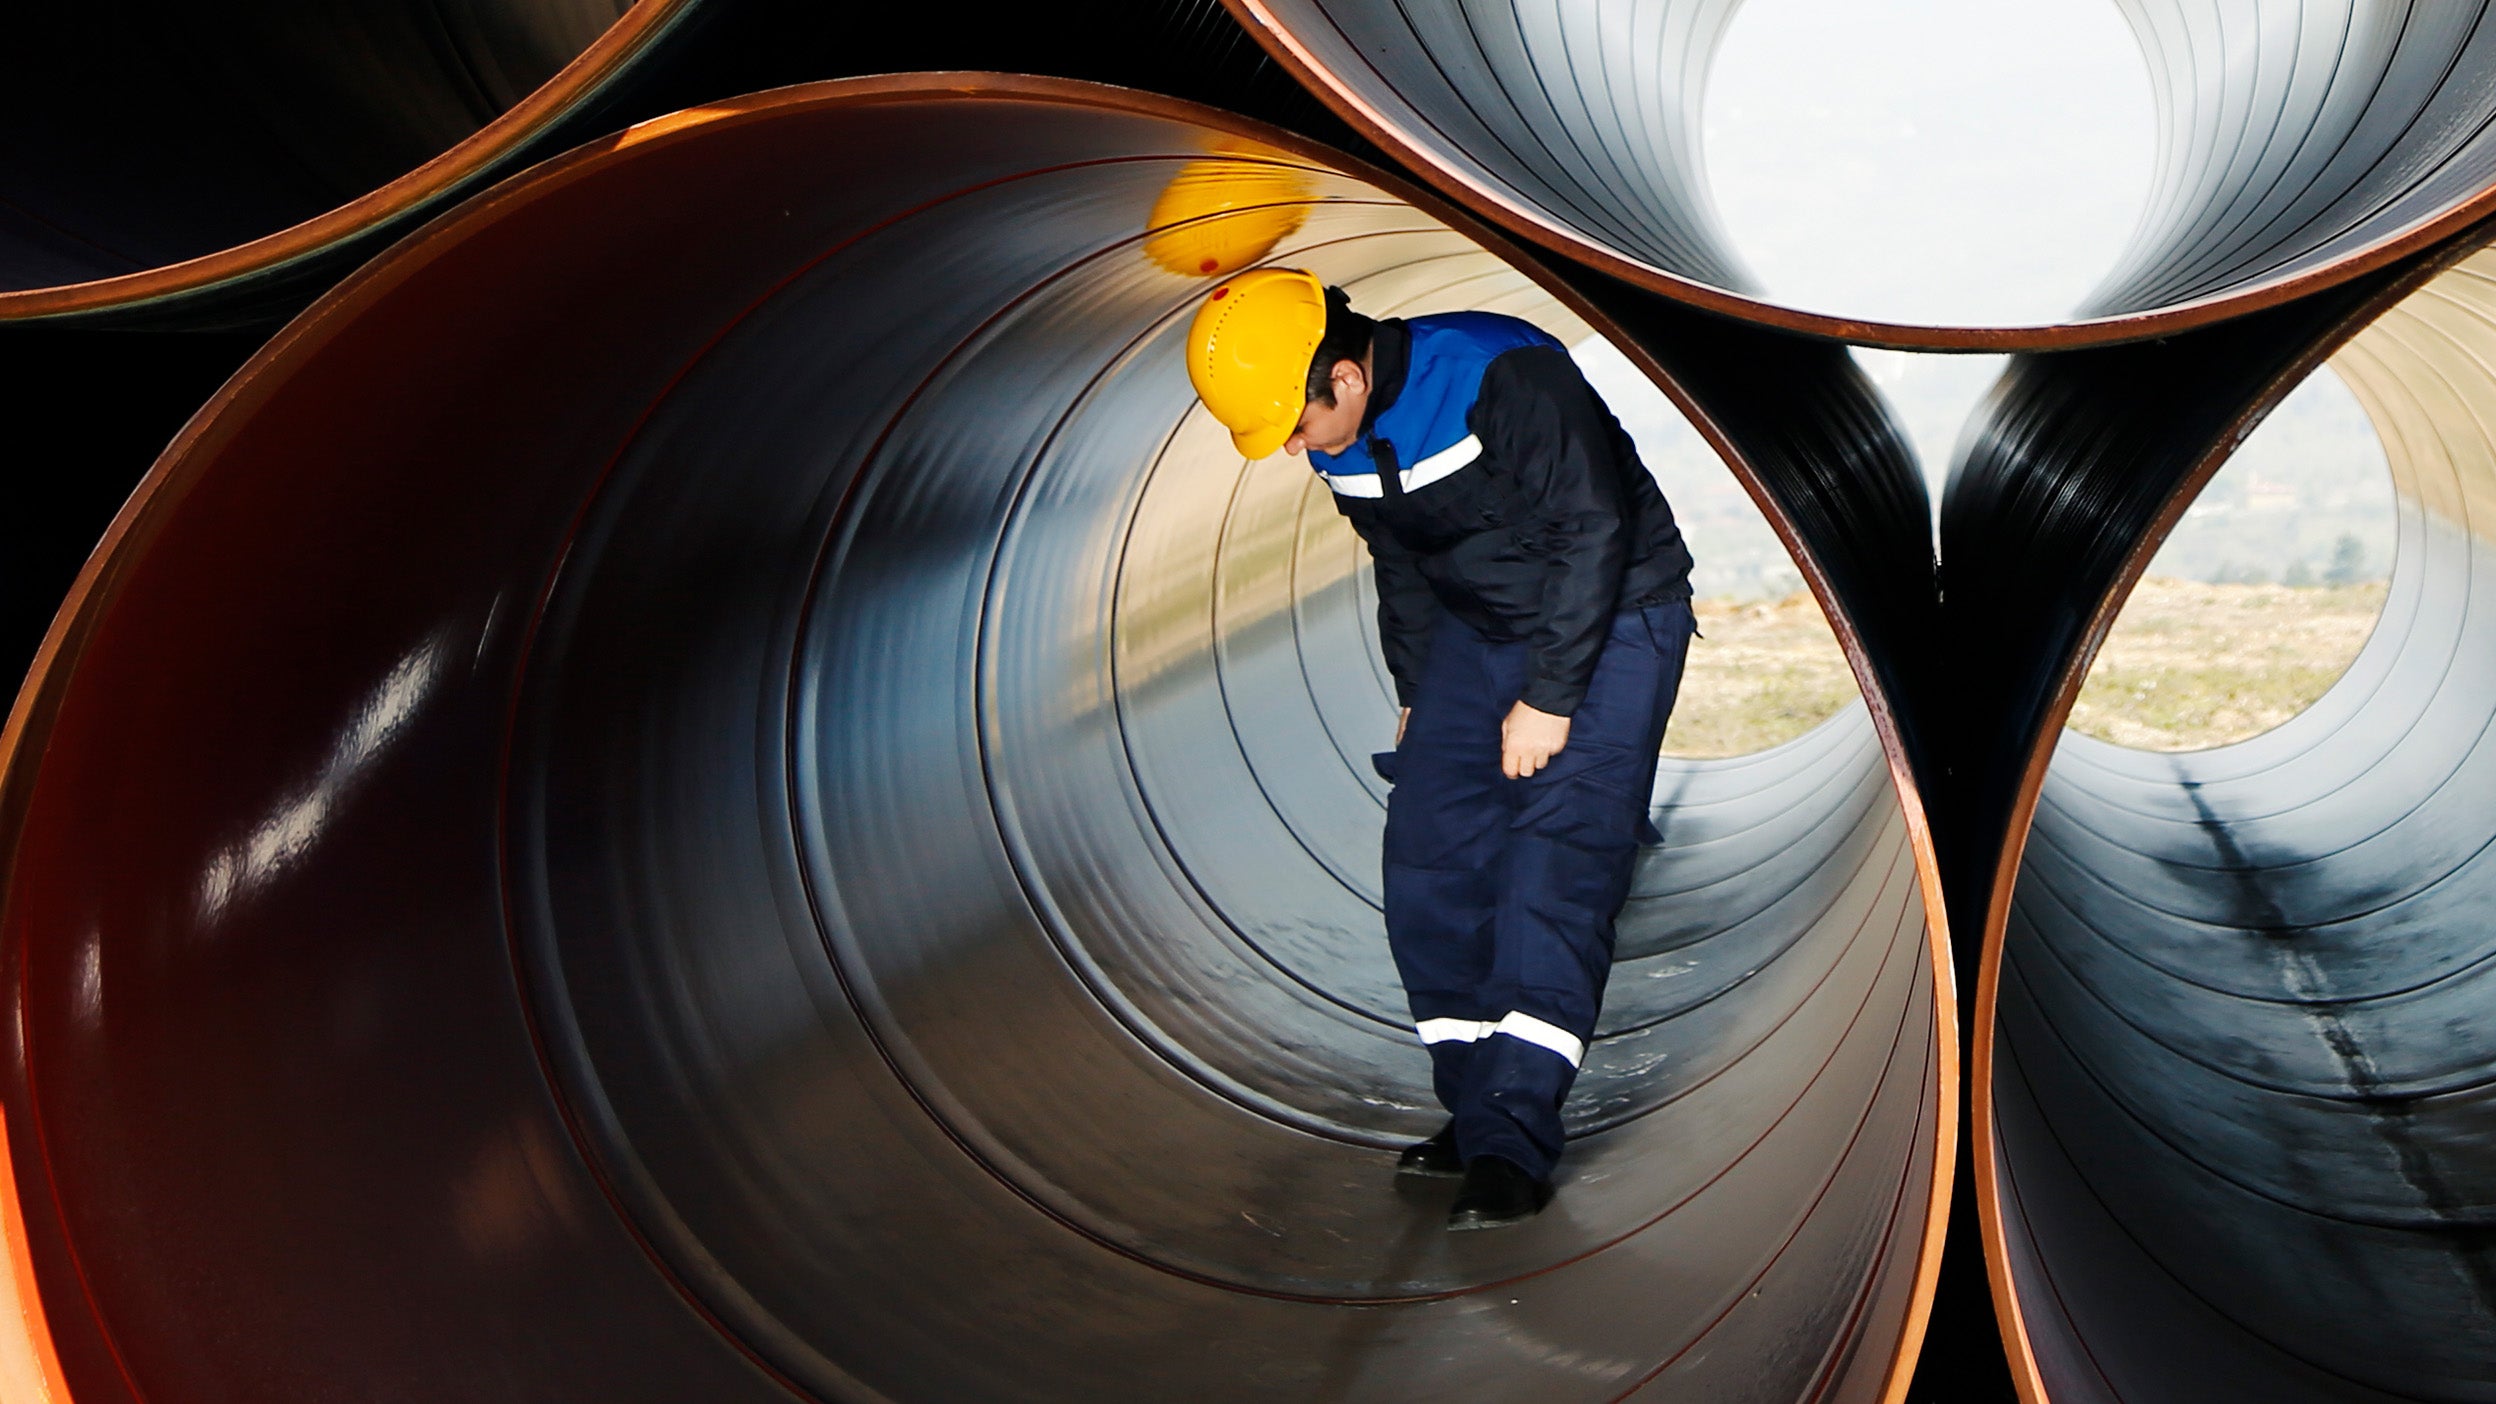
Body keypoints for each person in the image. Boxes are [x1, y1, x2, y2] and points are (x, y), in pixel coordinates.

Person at [1183, 269, 1696, 1230]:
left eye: (1293, 424)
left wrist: (1549, 702)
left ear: (1343, 377)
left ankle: (1511, 1138)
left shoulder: (1500, 375)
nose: (1291, 447)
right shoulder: (1339, 440)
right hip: (1478, 629)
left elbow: (1595, 532)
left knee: (1555, 863)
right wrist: (1421, 693)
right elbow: (1405, 565)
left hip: (1616, 611)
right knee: (1430, 854)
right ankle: (1472, 1103)